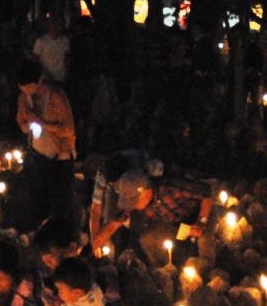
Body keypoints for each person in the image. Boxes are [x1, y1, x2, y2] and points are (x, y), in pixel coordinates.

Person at [89, 166, 214, 265]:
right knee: (147, 239)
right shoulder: (139, 204)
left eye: (134, 200)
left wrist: (201, 220)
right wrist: (95, 245)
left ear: (147, 193)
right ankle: (164, 269)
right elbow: (115, 222)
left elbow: (207, 192)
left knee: (205, 243)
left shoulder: (172, 187)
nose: (132, 206)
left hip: (200, 215)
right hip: (176, 224)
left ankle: (209, 274)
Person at [15, 59, 76, 226]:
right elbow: (21, 122)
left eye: (30, 87)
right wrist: (27, 127)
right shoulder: (24, 97)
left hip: (60, 156)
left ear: (39, 80)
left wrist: (43, 124)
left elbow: (68, 129)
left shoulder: (55, 96)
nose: (28, 92)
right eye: (23, 89)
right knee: (37, 200)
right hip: (37, 154)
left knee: (60, 203)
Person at [32, 16, 70, 83]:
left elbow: (66, 57)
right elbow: (35, 59)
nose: (55, 27)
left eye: (58, 25)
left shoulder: (65, 40)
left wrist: (67, 72)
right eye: (53, 25)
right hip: (46, 77)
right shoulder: (41, 41)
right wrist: (44, 72)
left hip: (61, 76)